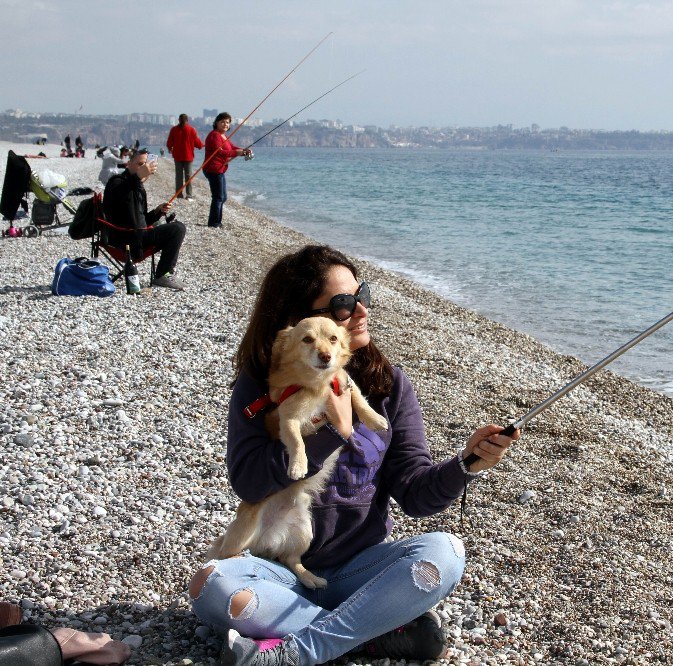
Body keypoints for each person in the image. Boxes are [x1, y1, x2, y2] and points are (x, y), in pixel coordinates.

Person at [187, 245, 518, 665]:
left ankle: (292, 650)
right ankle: (371, 633)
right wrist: (334, 430)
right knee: (212, 585)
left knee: (446, 552)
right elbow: (249, 483)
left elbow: (416, 496)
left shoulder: (388, 385)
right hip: (277, 570)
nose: (360, 310)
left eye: (362, 294)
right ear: (299, 323)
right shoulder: (262, 386)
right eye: (342, 305)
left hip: (360, 572)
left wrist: (467, 463)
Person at [102, 149, 187, 291]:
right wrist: (137, 177)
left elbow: (140, 221)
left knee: (172, 225)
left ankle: (165, 273)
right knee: (178, 229)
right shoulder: (116, 182)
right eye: (140, 164)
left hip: (135, 235)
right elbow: (122, 192)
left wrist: (157, 212)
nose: (143, 168)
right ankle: (163, 275)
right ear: (129, 164)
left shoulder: (137, 187)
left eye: (146, 165)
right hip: (127, 242)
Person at [202, 112, 251, 228]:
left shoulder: (223, 136)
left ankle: (216, 221)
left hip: (220, 169)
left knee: (223, 197)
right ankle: (214, 223)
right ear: (216, 123)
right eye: (222, 122)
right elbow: (220, 152)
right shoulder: (214, 135)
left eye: (227, 122)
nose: (225, 124)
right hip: (213, 169)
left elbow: (231, 148)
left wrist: (243, 150)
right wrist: (237, 153)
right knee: (218, 197)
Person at [166, 114, 204, 200]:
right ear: (187, 120)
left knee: (179, 176)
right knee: (188, 176)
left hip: (178, 156)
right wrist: (202, 145)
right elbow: (197, 143)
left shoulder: (174, 129)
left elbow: (169, 142)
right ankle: (189, 194)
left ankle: (179, 194)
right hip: (188, 156)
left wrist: (169, 148)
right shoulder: (191, 130)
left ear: (179, 120)